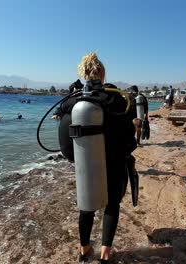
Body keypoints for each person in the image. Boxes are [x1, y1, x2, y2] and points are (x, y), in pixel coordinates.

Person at [58, 53, 137, 263]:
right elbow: (129, 138)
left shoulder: (73, 101)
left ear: (83, 74)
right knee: (112, 205)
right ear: (102, 74)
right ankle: (105, 254)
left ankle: (84, 250)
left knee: (86, 205)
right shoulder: (118, 99)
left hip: (87, 162)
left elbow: (64, 133)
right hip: (114, 162)